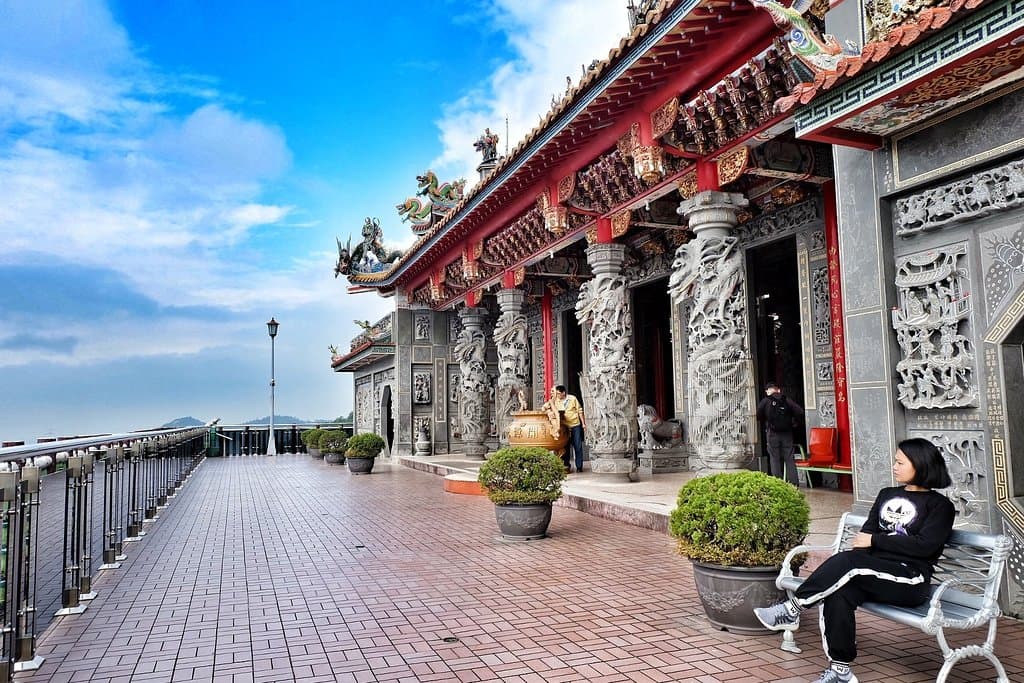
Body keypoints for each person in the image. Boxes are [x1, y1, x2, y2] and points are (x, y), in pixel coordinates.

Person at [754, 437, 955, 683]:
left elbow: (925, 546)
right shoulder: (887, 494)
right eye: (895, 461)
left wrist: (876, 541)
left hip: (909, 579)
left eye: (900, 462)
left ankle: (793, 609)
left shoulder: (940, 506)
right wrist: (873, 542)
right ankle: (841, 672)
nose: (894, 467)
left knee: (849, 561)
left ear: (920, 464)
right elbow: (865, 535)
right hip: (870, 574)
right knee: (839, 592)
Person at [756, 381, 804, 486]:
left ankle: (778, 484)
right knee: (789, 458)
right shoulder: (786, 399)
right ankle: (794, 484)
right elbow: (800, 411)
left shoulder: (765, 401)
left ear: (767, 391)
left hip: (772, 433)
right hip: (787, 433)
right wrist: (794, 423)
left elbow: (758, 415)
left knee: (774, 459)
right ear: (778, 390)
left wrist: (767, 421)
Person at [545, 385, 586, 473]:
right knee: (565, 446)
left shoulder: (572, 399)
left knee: (577, 445)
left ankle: (579, 466)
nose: (557, 395)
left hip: (575, 425)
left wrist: (583, 424)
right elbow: (546, 407)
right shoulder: (555, 400)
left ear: (563, 393)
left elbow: (580, 411)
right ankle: (566, 465)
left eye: (559, 393)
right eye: (556, 393)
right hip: (564, 426)